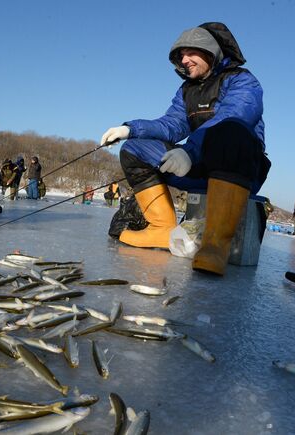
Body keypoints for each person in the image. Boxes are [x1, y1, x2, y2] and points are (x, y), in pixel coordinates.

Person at [100, 22, 270, 276]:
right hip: (198, 166)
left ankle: (214, 246)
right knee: (135, 149)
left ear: (210, 52)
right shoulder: (187, 91)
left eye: (191, 52)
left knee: (232, 131)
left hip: (240, 171)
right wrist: (130, 129)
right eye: (180, 55)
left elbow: (234, 115)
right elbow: (171, 125)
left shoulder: (243, 81)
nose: (184, 59)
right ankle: (161, 227)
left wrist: (190, 151)